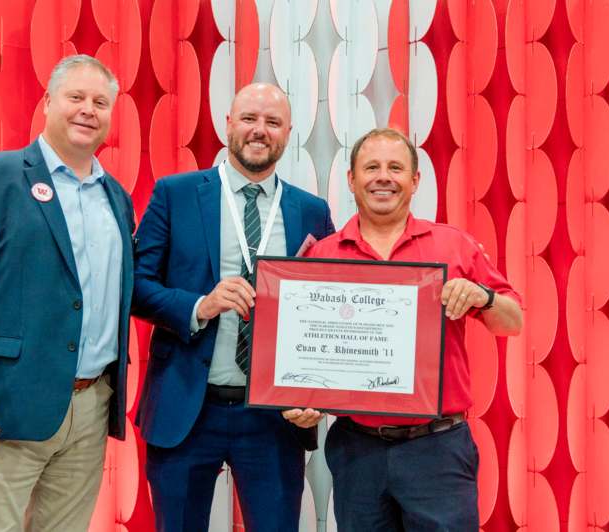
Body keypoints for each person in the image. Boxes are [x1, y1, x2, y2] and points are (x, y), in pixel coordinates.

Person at [0, 55, 135, 532]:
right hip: (3, 406)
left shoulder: (116, 198)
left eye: (101, 102)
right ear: (47, 103)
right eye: (76, 97)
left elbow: (119, 291)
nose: (88, 110)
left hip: (89, 409)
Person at [133, 82, 335, 531]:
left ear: (288, 134)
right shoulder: (175, 194)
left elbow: (328, 310)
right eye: (249, 118)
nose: (259, 130)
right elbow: (136, 287)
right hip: (187, 407)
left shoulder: (312, 212)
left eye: (272, 122)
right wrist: (199, 305)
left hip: (274, 416)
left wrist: (316, 395)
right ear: (228, 124)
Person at [304, 128, 523, 531]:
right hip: (357, 450)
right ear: (351, 179)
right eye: (371, 167)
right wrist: (298, 398)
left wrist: (483, 296)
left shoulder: (453, 245)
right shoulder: (323, 255)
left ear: (415, 180)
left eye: (395, 168)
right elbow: (303, 350)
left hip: (437, 449)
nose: (383, 177)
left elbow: (513, 321)